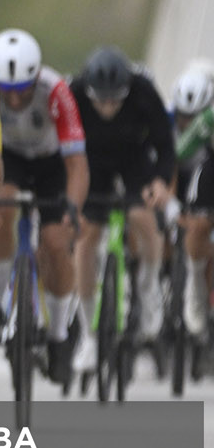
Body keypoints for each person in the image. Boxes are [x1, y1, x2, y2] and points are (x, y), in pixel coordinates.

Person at [0, 28, 88, 385]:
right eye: (6, 93)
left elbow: (77, 165)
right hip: (9, 159)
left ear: (36, 76)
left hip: (51, 164)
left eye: (22, 91)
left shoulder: (56, 90)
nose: (13, 102)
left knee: (56, 244)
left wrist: (72, 210)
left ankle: (58, 334)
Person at [69, 46, 175, 376]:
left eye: (115, 100)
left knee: (142, 217)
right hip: (93, 165)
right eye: (101, 100)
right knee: (86, 240)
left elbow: (165, 144)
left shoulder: (143, 91)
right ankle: (88, 333)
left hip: (134, 161)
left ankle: (148, 289)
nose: (108, 107)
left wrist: (160, 182)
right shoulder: (73, 94)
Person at [171, 60, 214, 339]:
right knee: (198, 226)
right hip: (210, 173)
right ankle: (195, 284)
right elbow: (178, 153)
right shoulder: (207, 119)